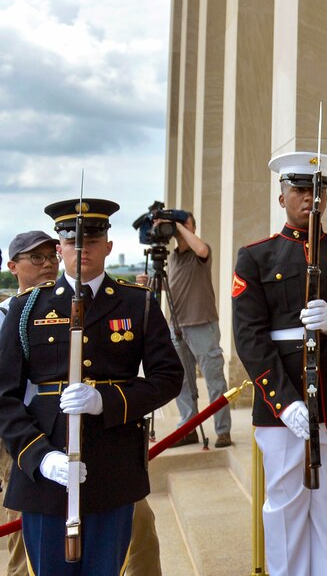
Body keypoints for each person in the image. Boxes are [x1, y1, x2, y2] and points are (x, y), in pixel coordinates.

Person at [0, 201, 183, 575]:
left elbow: (168, 378)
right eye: (72, 241)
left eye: (93, 240)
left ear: (108, 246)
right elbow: (3, 396)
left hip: (112, 468)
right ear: (60, 248)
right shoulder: (28, 307)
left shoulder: (138, 303)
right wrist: (40, 458)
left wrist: (107, 401)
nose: (82, 249)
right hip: (44, 472)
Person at [232, 152, 327, 576]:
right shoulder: (256, 257)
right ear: (281, 196)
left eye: (318, 190)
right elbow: (249, 338)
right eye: (300, 189)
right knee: (285, 506)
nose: (311, 199)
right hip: (282, 401)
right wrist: (284, 402)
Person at [2, 231, 59, 576]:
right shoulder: (6, 314)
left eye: (51, 256)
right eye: (36, 259)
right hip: (21, 436)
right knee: (24, 538)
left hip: (73, 427)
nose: (48, 264)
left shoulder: (75, 306)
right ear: (13, 267)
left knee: (134, 526)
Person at [165, 215, 233, 448]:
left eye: (187, 223)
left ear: (193, 227)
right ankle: (188, 428)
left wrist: (179, 227)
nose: (181, 227)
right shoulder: (172, 258)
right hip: (177, 327)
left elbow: (201, 248)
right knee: (181, 382)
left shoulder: (200, 252)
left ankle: (223, 431)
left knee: (214, 380)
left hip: (202, 324)